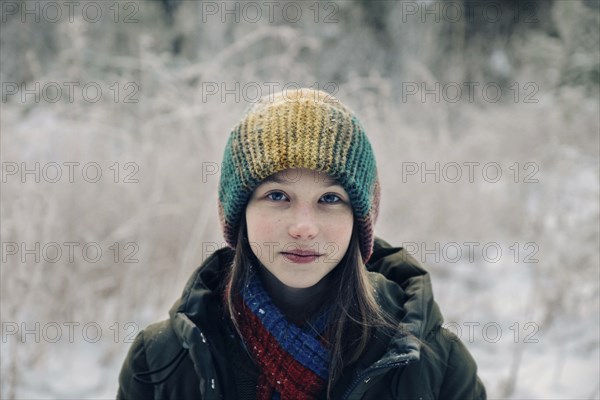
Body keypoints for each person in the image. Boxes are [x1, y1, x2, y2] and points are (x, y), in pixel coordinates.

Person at [117, 88, 487, 399]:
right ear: (236, 213)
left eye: (330, 199)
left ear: (362, 219)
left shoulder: (437, 364)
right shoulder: (161, 361)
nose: (304, 228)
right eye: (278, 196)